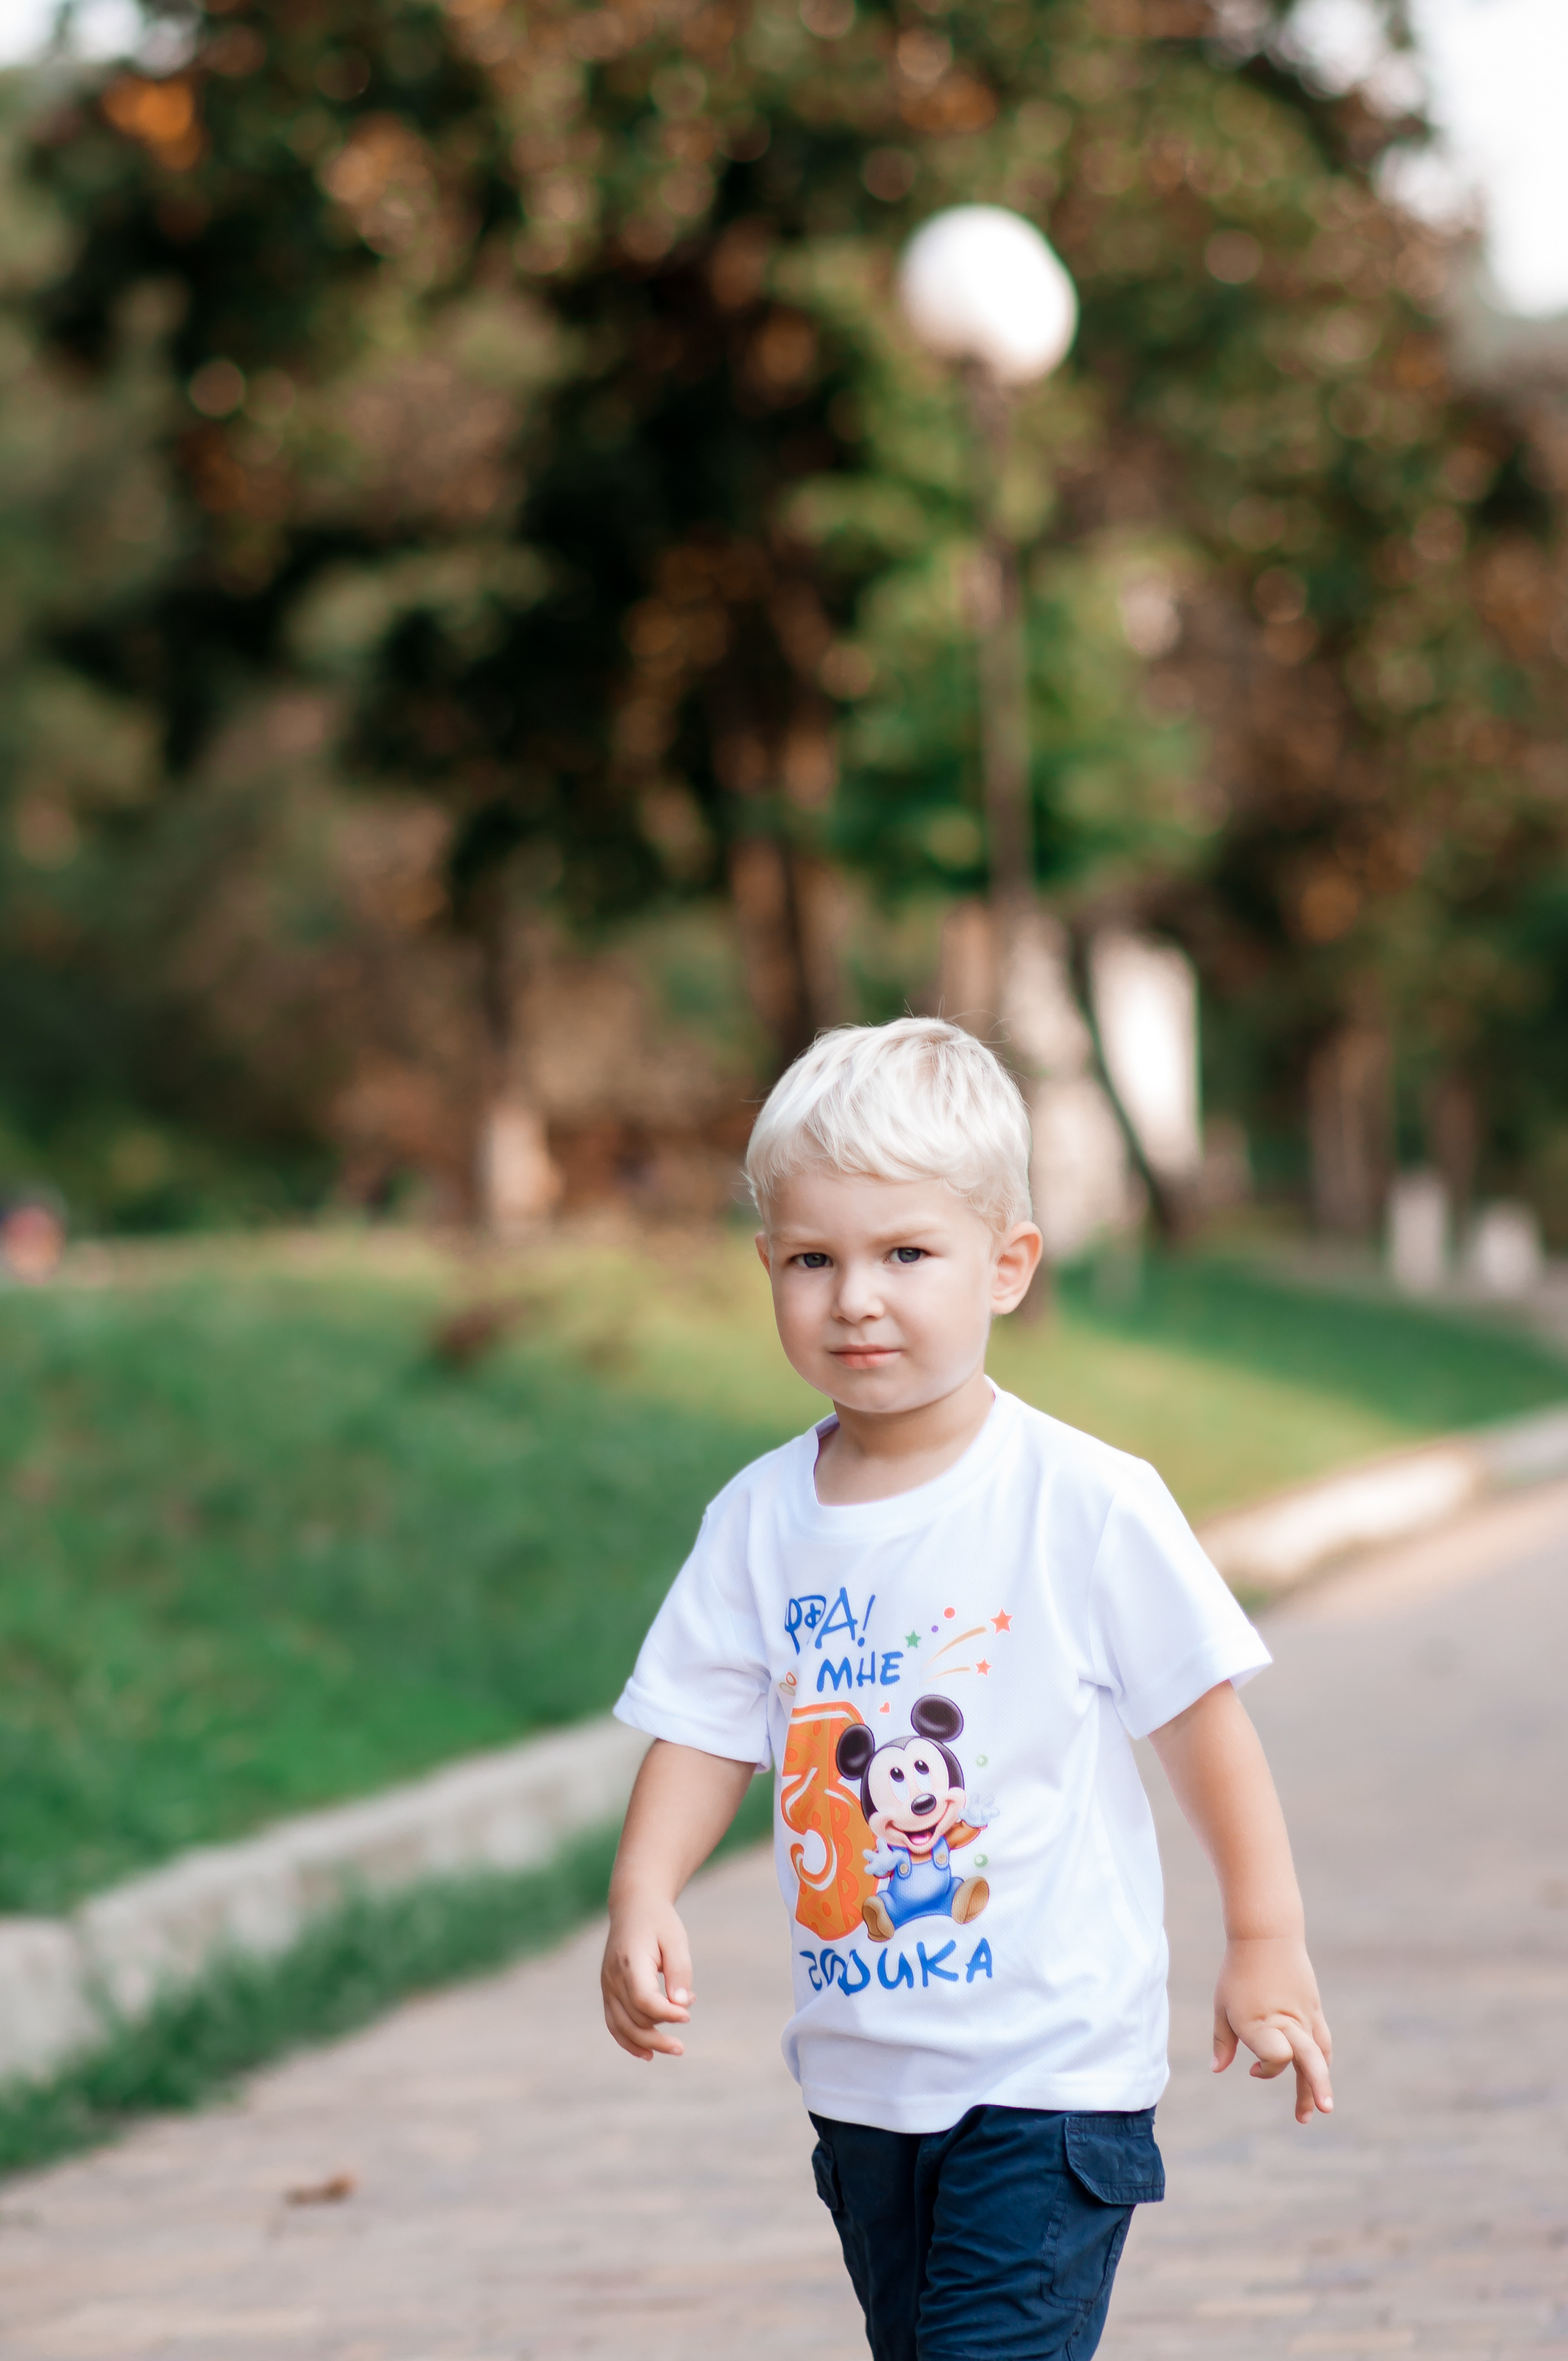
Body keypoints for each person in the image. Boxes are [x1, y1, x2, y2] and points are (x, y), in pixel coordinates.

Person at [602, 1016, 1332, 2361]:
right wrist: (642, 1891)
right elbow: (703, 1727)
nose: (854, 1298)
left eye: (905, 1254)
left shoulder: (1085, 1500)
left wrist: (1265, 1937)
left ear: (1007, 1266)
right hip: (862, 2081)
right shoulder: (759, 1518)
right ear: (769, 1267)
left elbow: (1202, 1726)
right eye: (813, 1260)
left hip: (1051, 2076)